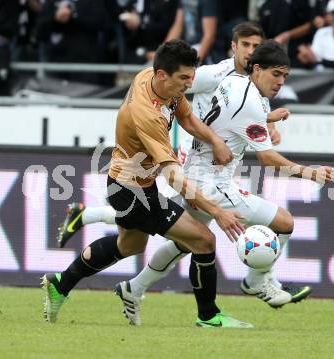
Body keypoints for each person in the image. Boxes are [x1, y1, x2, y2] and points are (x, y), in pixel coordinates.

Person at [42, 39, 253, 329]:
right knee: (204, 240)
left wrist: (215, 140)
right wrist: (217, 211)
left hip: (127, 184)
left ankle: (61, 283)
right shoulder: (148, 114)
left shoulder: (153, 78)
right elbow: (174, 177)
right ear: (163, 75)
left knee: (129, 245)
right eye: (183, 78)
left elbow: (188, 118)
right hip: (133, 192)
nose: (188, 84)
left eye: (191, 77)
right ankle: (209, 316)